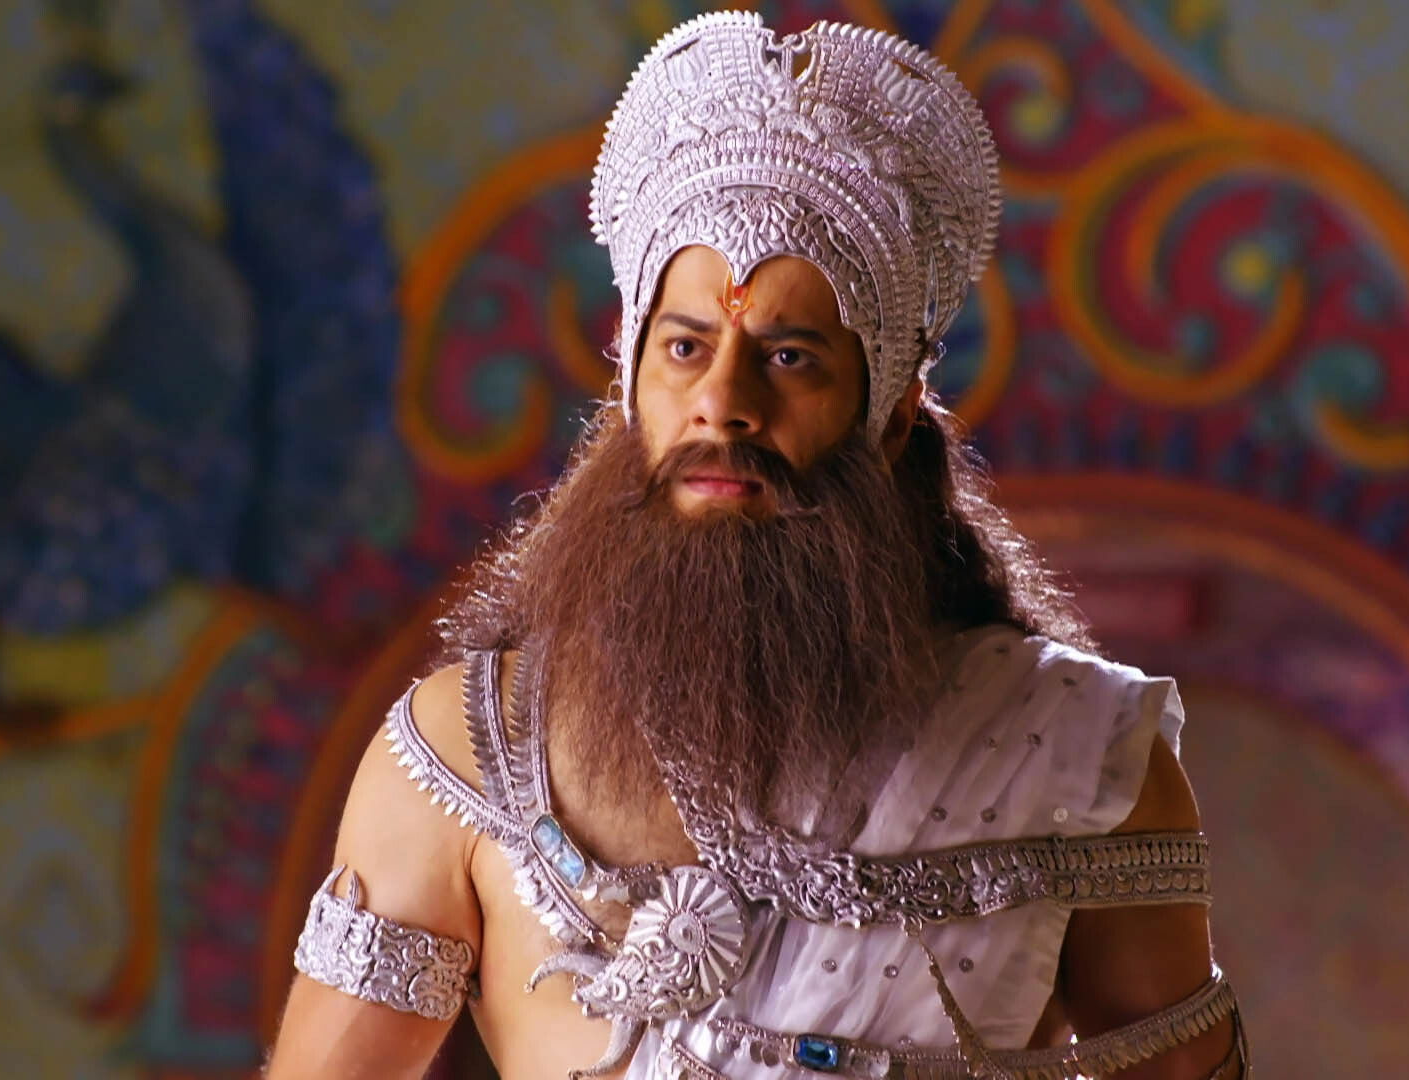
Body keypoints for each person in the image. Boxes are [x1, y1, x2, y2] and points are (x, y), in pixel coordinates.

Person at [266, 12, 1246, 1079]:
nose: (722, 403)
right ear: (631, 385)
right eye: (686, 348)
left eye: (789, 357)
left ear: (890, 413)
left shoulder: (1079, 753)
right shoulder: (464, 756)